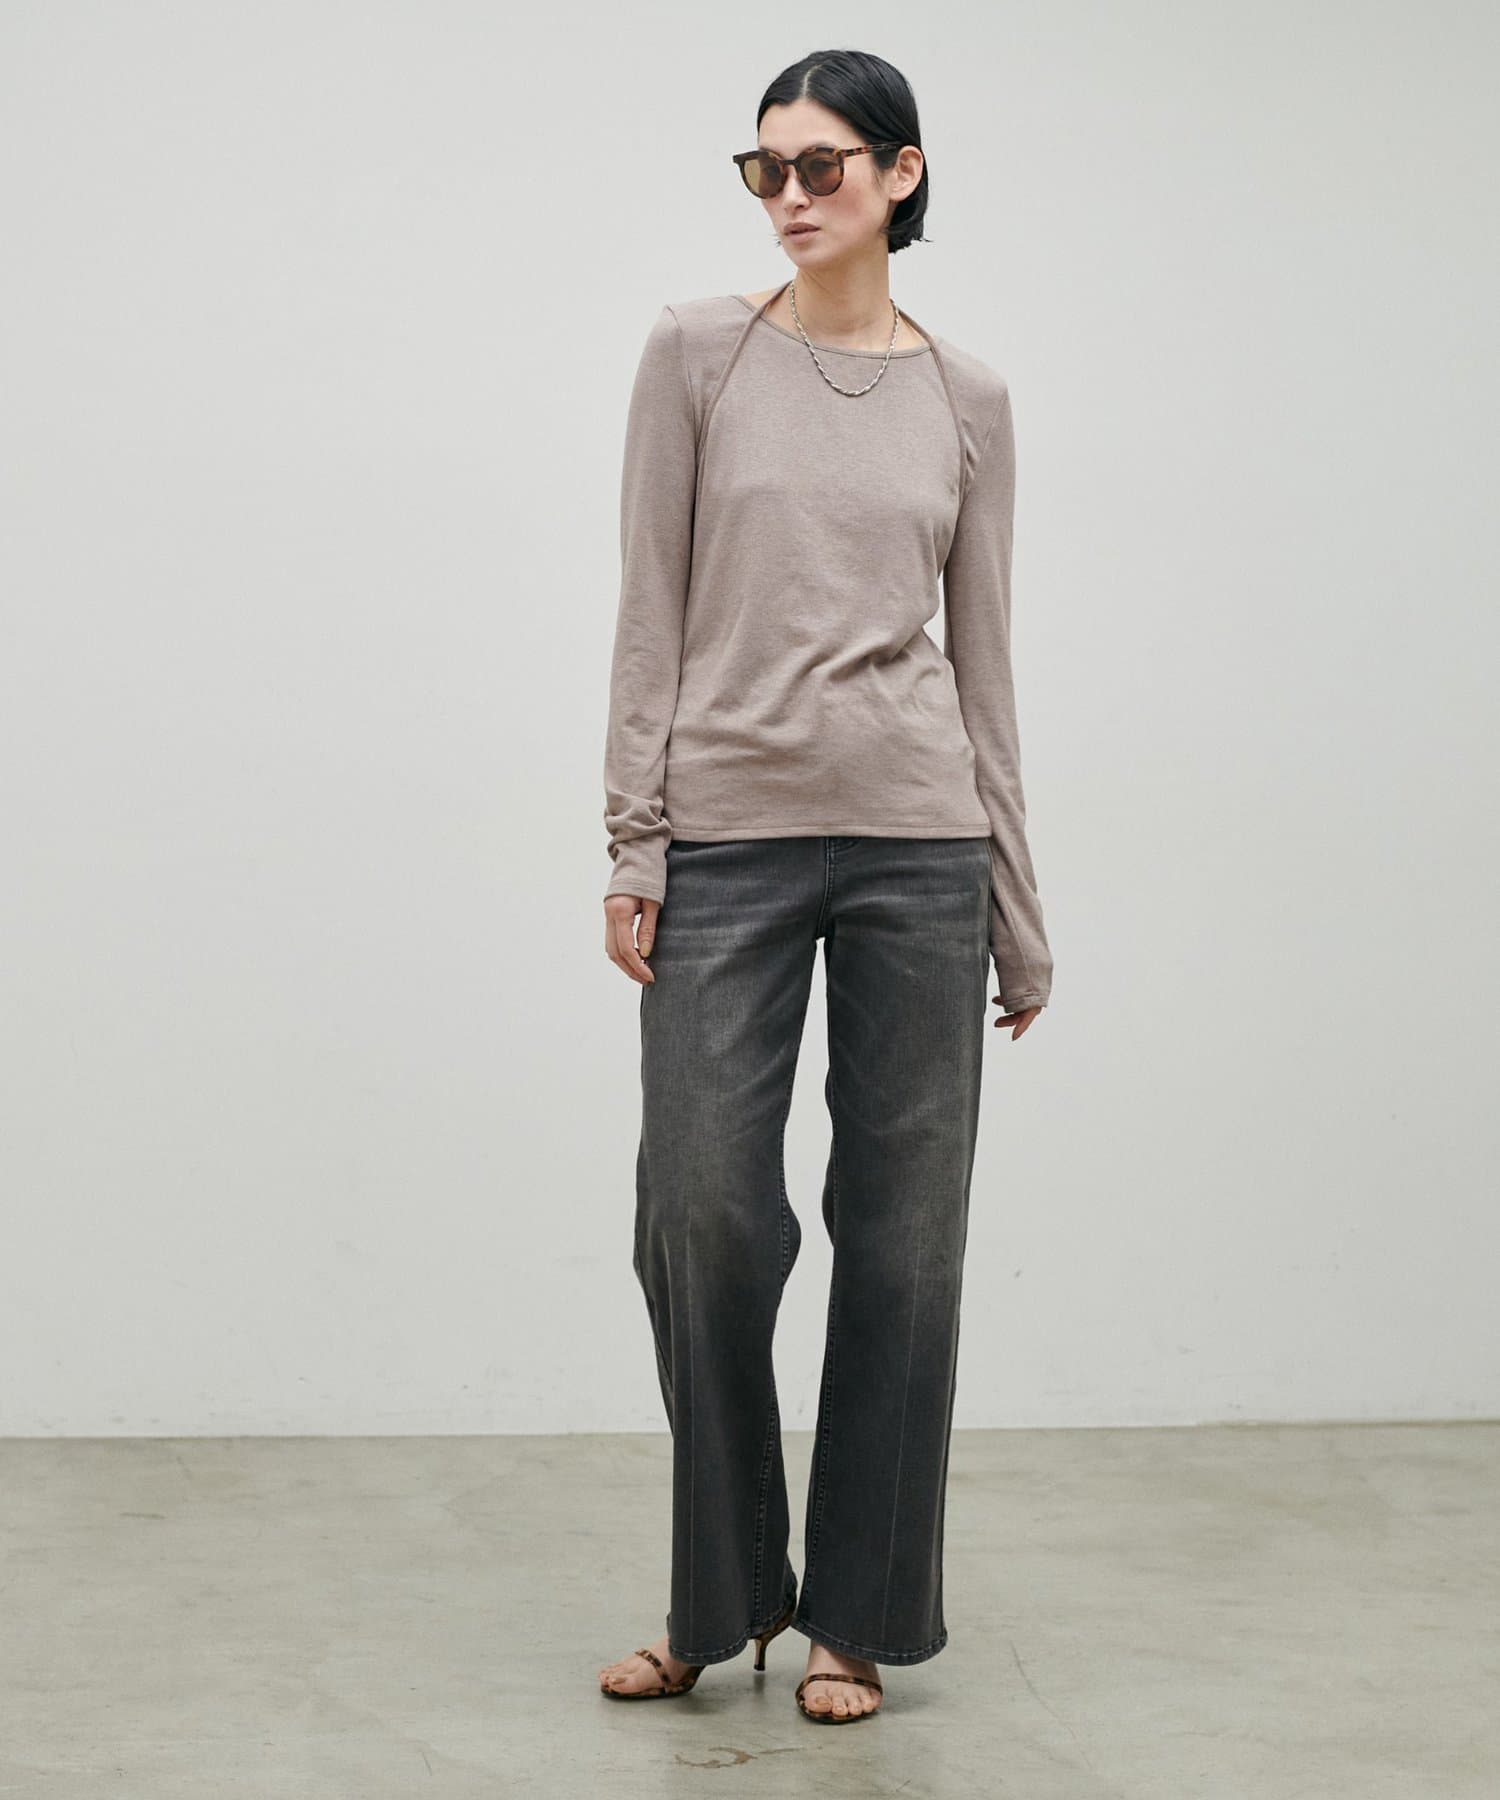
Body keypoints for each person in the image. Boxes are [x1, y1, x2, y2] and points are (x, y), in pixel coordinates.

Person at [595, 47, 1053, 1725]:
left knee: (909, 1237)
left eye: (822, 167)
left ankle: (856, 1616)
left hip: (923, 849)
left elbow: (985, 663)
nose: (788, 196)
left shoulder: (970, 398)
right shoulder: (696, 354)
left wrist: (1017, 902)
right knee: (703, 1213)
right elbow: (650, 609)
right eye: (765, 168)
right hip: (728, 840)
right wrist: (635, 839)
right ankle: (718, 1599)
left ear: (901, 174)